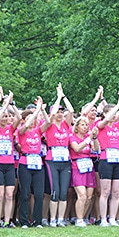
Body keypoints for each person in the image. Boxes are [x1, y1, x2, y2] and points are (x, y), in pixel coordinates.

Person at [97, 91, 119, 226]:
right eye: (110, 112)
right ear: (104, 114)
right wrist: (117, 104)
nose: (114, 115)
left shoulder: (118, 126)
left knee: (116, 192)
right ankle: (103, 219)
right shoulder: (100, 125)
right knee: (105, 191)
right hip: (106, 159)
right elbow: (106, 119)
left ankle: (112, 218)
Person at [17, 98, 51, 228]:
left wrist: (42, 109)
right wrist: (35, 111)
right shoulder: (21, 131)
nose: (33, 121)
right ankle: (24, 221)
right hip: (25, 163)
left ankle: (37, 220)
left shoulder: (37, 131)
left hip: (38, 163)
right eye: (30, 118)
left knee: (39, 194)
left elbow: (48, 122)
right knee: (25, 193)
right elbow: (26, 126)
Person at [0, 89, 21, 227]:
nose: (5, 118)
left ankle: (7, 221)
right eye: (3, 115)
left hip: (9, 164)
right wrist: (4, 103)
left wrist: (11, 104)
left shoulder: (10, 129)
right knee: (0, 194)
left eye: (7, 116)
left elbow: (19, 118)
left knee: (9, 194)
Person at [45, 83, 75, 227]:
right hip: (52, 160)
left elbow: (71, 110)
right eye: (58, 111)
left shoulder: (65, 125)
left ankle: (61, 219)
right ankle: (52, 219)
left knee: (64, 191)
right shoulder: (50, 125)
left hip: (65, 159)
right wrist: (57, 98)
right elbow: (50, 116)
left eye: (61, 112)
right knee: (55, 191)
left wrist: (63, 96)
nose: (60, 113)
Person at [69, 116, 99, 227]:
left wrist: (94, 138)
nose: (85, 127)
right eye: (82, 124)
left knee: (89, 196)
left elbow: (96, 149)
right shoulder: (72, 137)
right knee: (82, 195)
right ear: (76, 127)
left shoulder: (88, 137)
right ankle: (79, 219)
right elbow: (77, 148)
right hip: (77, 166)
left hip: (88, 166)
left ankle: (82, 216)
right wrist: (88, 139)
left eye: (86, 125)